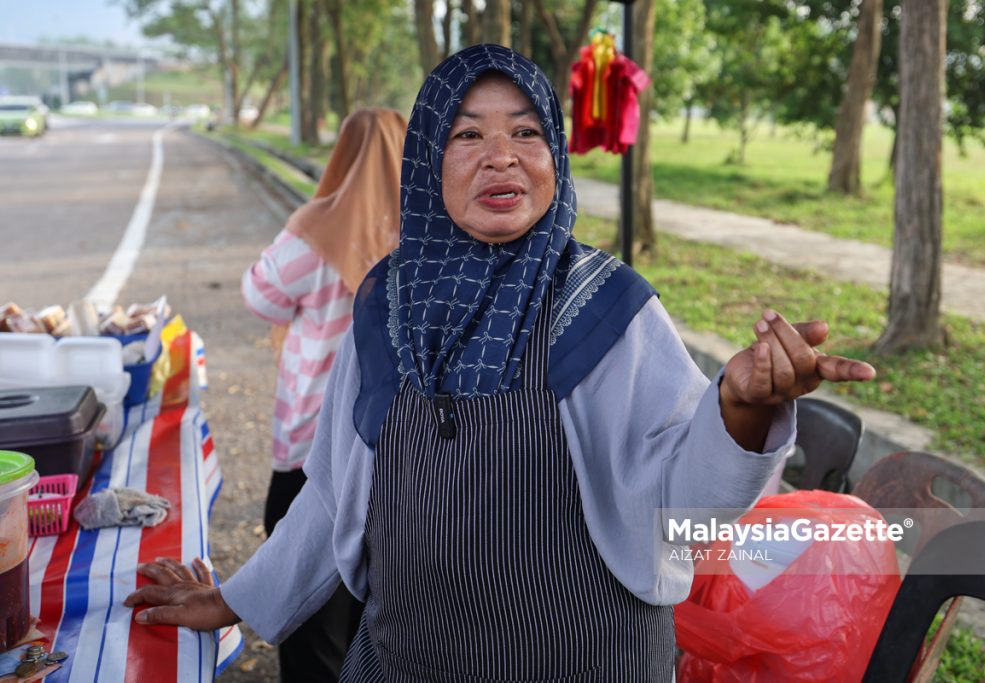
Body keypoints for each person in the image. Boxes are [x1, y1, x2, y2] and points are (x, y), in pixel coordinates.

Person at [125, 45, 875, 681]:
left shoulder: (608, 307)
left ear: (554, 155)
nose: (501, 156)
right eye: (466, 134)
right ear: (425, 160)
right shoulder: (387, 301)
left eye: (525, 131)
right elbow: (333, 495)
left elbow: (684, 517)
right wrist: (238, 599)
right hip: (404, 660)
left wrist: (740, 412)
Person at [238, 107, 406, 681]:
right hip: (394, 450)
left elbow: (261, 297)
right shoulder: (431, 227)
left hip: (314, 445)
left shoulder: (317, 226)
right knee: (376, 608)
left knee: (309, 611)